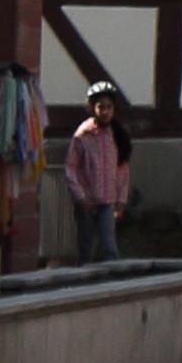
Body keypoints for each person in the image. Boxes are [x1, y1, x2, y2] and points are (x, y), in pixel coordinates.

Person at [64, 93, 126, 263]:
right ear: (92, 108)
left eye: (109, 107)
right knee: (86, 245)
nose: (105, 112)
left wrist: (121, 198)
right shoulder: (83, 135)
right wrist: (79, 195)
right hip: (87, 200)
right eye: (101, 107)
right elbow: (71, 166)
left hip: (107, 199)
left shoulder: (117, 134)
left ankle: (112, 281)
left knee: (108, 244)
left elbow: (122, 168)